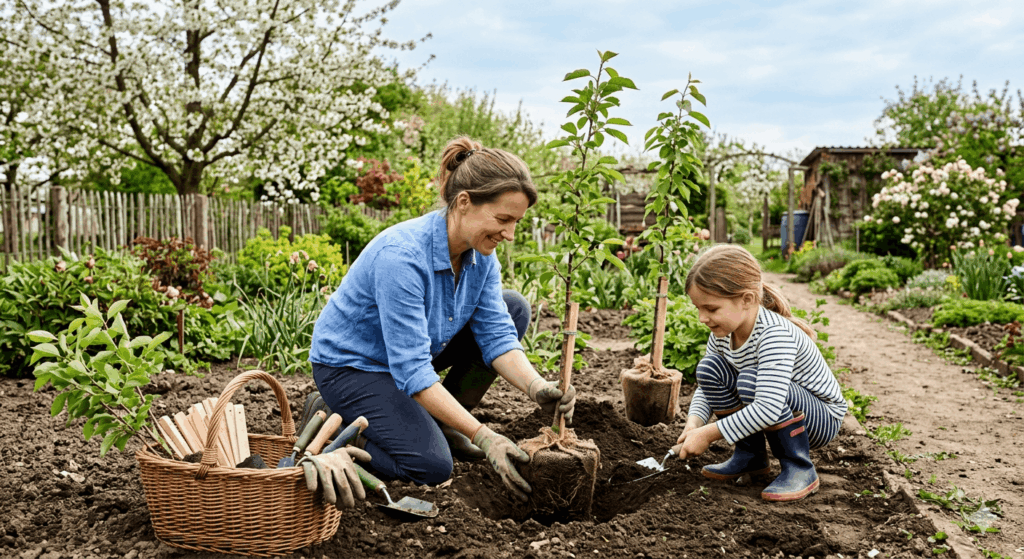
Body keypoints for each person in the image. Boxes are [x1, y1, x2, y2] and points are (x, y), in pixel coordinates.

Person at [307, 136, 576, 506]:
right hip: (354, 367)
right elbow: (413, 371)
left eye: (516, 222)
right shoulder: (402, 258)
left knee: (513, 309)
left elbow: (497, 334)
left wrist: (536, 387)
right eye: (503, 219)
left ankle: (444, 425)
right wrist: (484, 435)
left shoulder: (481, 258)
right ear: (464, 202)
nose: (510, 234)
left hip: (408, 356)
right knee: (432, 467)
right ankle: (339, 427)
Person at [671, 244, 848, 502]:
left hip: (820, 418)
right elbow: (706, 387)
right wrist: (694, 423)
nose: (702, 318)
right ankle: (750, 457)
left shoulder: (774, 335)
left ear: (747, 299)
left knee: (751, 382)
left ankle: (799, 467)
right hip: (778, 404)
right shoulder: (723, 335)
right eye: (698, 308)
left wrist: (708, 434)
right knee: (709, 368)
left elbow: (768, 406)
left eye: (710, 309)